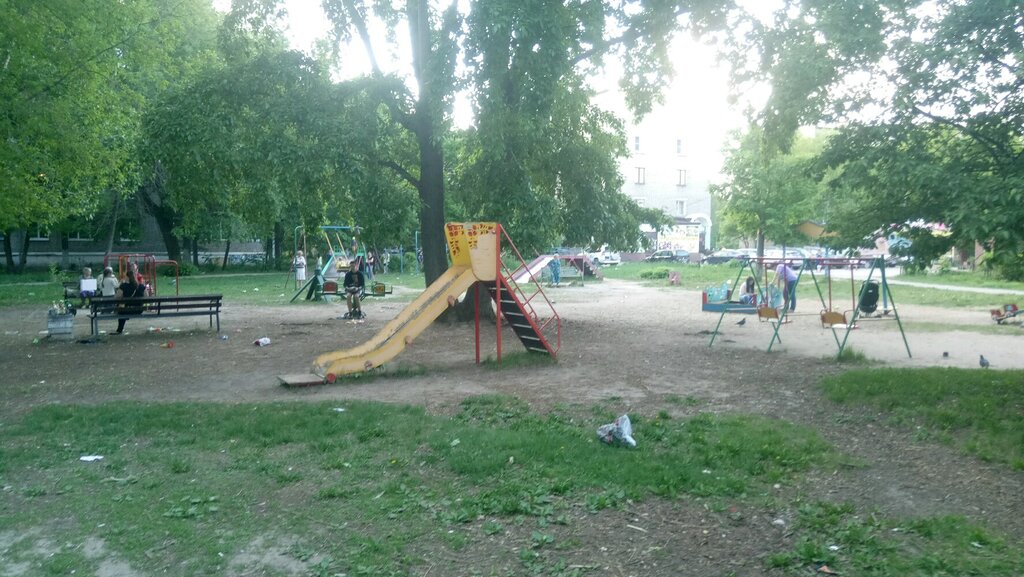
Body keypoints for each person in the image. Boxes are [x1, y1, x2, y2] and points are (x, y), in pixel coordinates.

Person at [113, 267, 147, 334]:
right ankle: (120, 328)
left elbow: (118, 296)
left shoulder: (123, 286)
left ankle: (120, 329)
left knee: (121, 310)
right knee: (123, 310)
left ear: (127, 277)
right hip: (139, 310)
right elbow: (147, 296)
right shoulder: (141, 286)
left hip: (126, 310)